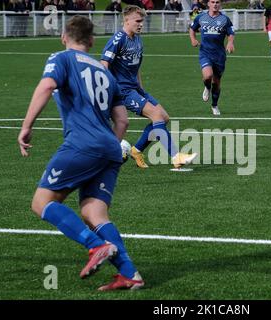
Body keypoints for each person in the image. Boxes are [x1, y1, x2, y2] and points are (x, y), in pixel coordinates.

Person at [17, 15, 144, 291]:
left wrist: (26, 127)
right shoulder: (106, 72)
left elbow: (47, 85)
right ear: (92, 41)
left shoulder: (61, 58)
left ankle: (96, 246)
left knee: (41, 202)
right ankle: (130, 274)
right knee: (94, 212)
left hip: (82, 144)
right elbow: (122, 121)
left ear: (64, 37)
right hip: (111, 148)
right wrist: (108, 146)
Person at [101, 5, 197, 169]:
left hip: (135, 88)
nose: (140, 24)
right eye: (137, 21)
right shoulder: (118, 39)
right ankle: (176, 156)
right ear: (126, 20)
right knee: (156, 117)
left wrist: (141, 89)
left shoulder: (138, 39)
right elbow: (103, 65)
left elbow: (136, 66)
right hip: (123, 91)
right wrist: (109, 91)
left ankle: (136, 150)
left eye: (142, 21)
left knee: (164, 117)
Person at [189, 0, 234, 116]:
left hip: (219, 55)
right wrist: (193, 39)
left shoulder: (225, 19)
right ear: (208, 4)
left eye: (217, 2)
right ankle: (207, 87)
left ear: (220, 4)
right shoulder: (201, 17)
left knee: (217, 82)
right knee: (208, 75)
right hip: (205, 53)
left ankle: (214, 105)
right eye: (212, 2)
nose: (215, 4)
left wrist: (230, 43)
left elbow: (231, 33)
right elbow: (192, 29)